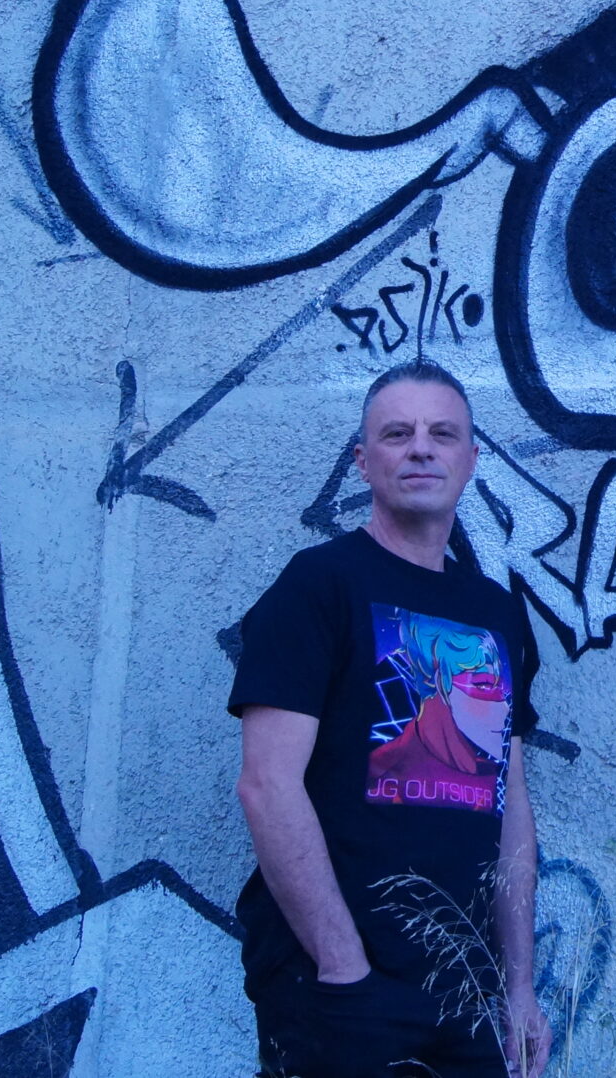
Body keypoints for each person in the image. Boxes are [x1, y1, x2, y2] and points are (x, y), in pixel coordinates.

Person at [229, 359, 551, 1077]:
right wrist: (342, 966)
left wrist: (518, 984)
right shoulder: (319, 586)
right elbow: (266, 785)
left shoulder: (496, 613)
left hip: (467, 988)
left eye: (443, 434)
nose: (421, 449)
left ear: (472, 459)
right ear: (363, 461)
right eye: (397, 434)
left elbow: (509, 803)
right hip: (337, 986)